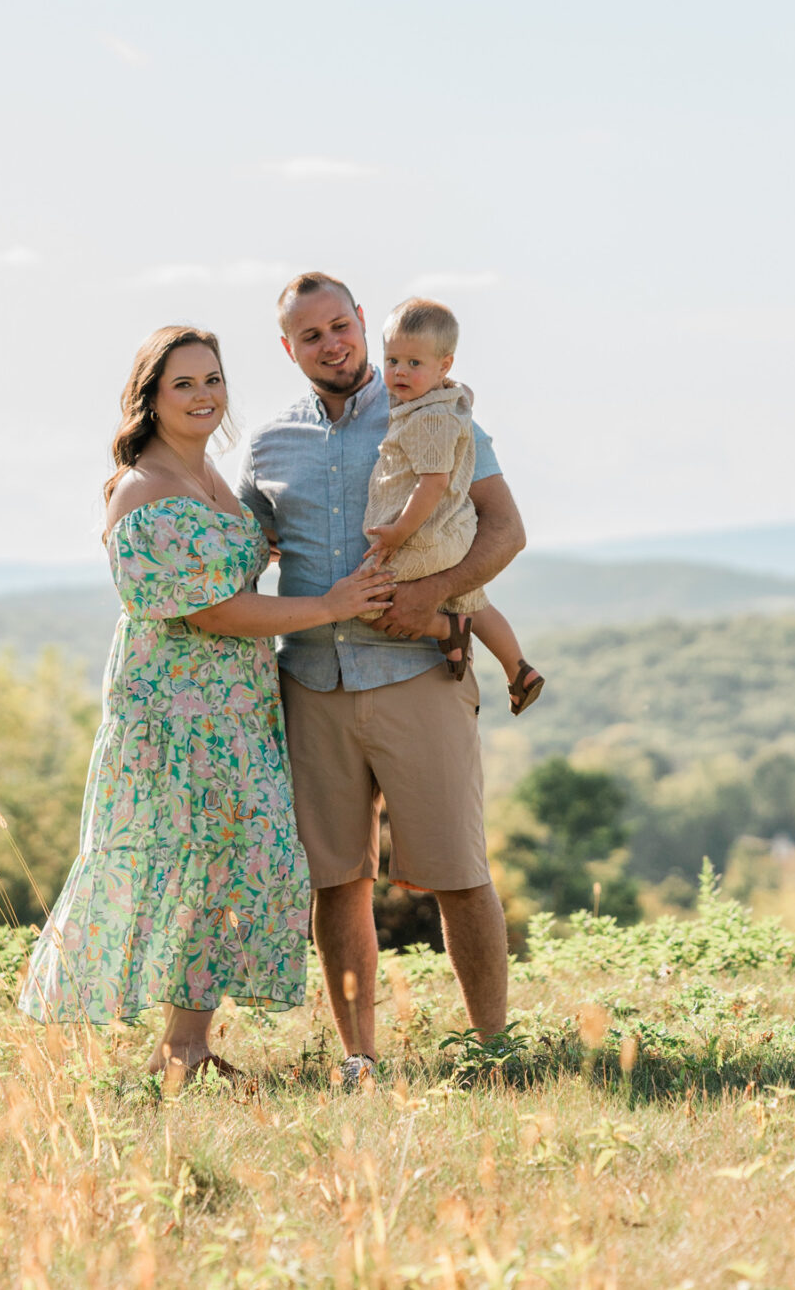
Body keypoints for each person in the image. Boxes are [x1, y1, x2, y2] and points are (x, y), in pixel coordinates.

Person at [18, 325, 394, 1083]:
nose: (202, 395)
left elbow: (247, 553)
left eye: (212, 379)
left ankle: (184, 1045)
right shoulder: (143, 488)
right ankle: (180, 1048)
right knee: (190, 865)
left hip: (240, 710)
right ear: (150, 397)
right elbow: (211, 612)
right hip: (176, 714)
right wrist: (331, 605)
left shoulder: (215, 478)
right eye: (183, 382)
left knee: (232, 868)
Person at [238, 273, 527, 1090]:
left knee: (458, 870)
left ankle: (492, 1049)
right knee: (338, 880)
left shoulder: (432, 410)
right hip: (314, 686)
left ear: (362, 321)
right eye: (311, 335)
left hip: (418, 673)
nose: (333, 344)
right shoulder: (267, 446)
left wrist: (435, 594)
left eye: (341, 325)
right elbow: (239, 558)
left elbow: (506, 529)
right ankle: (360, 1058)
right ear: (288, 348)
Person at [359, 296, 545, 713]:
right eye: (392, 361)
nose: (399, 373)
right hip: (453, 535)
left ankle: (449, 629)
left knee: (367, 601)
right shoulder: (452, 399)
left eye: (414, 364)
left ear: (444, 366)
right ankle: (518, 668)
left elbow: (433, 482)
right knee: (474, 600)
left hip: (423, 536)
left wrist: (399, 531)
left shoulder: (427, 418)